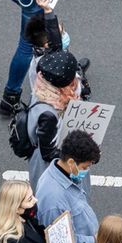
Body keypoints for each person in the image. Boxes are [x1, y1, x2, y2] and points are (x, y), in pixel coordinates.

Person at [35, 130, 101, 243]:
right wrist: (93, 240)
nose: (86, 171)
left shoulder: (62, 173)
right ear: (71, 162)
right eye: (85, 167)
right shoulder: (54, 199)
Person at [20, 49, 80, 188]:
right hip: (51, 171)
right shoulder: (49, 115)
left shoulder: (42, 88)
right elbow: (48, 153)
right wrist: (80, 153)